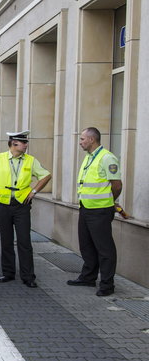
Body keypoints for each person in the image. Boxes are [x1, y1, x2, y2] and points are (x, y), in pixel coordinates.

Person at [0, 130, 52, 288]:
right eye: (24, 143)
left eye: (26, 142)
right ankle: (8, 273)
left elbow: (46, 175)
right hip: (2, 204)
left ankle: (28, 276)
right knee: (6, 240)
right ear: (14, 144)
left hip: (21, 205)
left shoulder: (30, 160)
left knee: (24, 241)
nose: (26, 145)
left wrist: (34, 191)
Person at [67, 127, 123, 296]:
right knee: (86, 245)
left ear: (92, 140)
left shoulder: (107, 158)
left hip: (100, 210)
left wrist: (110, 201)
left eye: (83, 139)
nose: (80, 142)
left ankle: (107, 284)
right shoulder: (89, 157)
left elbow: (117, 185)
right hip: (86, 208)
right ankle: (88, 277)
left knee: (104, 249)